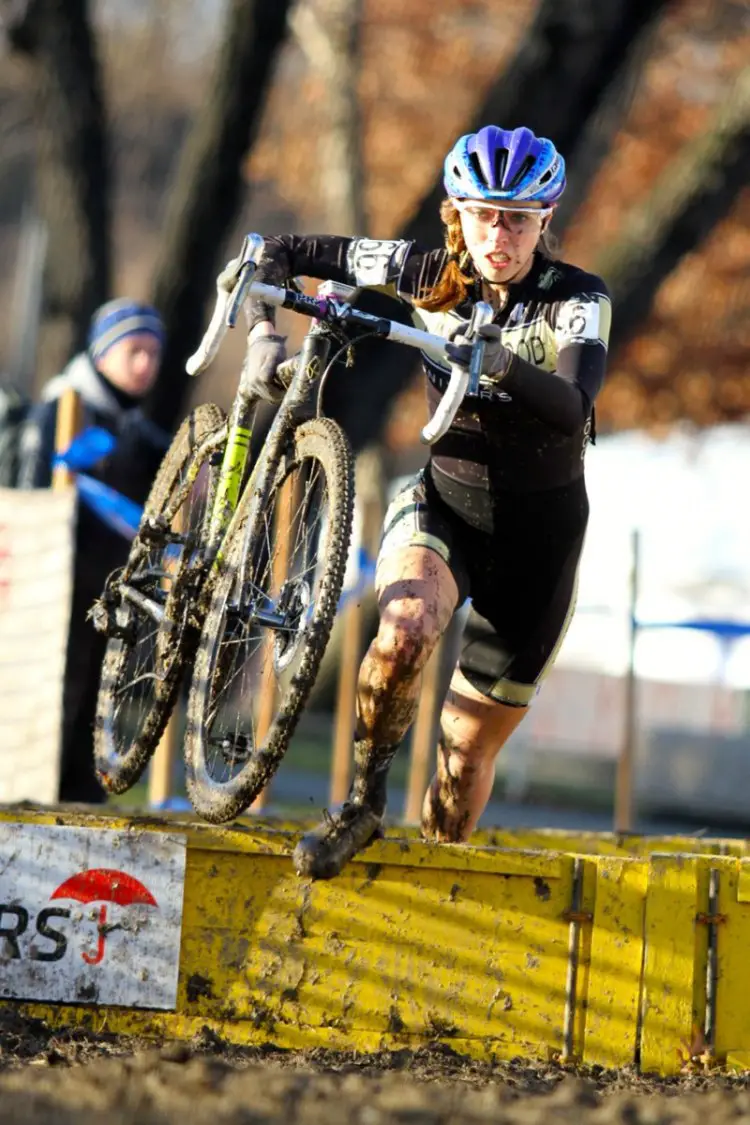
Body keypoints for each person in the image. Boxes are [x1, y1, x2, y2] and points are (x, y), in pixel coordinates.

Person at [241, 124, 611, 879]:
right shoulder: (424, 272)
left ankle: (444, 884)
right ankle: (362, 804)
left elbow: (574, 406)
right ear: (456, 212)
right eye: (482, 214)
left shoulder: (577, 297)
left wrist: (502, 362)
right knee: (403, 629)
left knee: (464, 749)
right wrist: (259, 334)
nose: (497, 235)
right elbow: (276, 251)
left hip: (539, 545)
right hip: (447, 504)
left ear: (546, 219)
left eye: (516, 218)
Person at [19, 299, 170, 803]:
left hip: (103, 598)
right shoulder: (61, 414)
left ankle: (81, 799)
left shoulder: (133, 427)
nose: (146, 365)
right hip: (52, 595)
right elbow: (32, 499)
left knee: (92, 708)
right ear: (103, 353)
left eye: (154, 353)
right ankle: (39, 796)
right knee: (52, 701)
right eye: (134, 351)